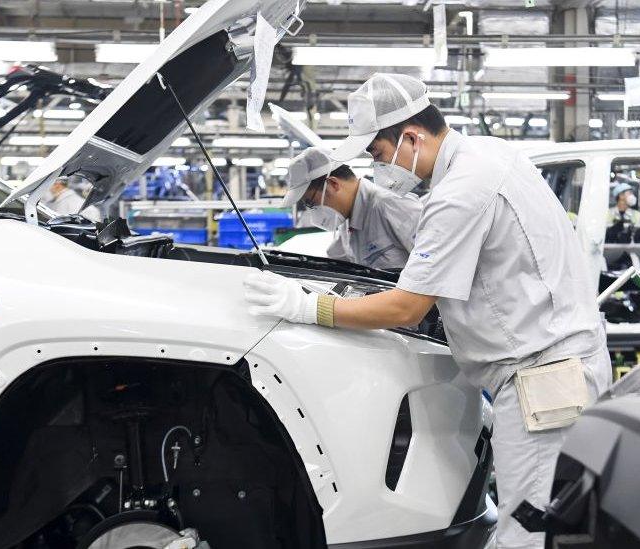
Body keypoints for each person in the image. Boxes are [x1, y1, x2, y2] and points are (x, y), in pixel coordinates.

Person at [244, 73, 611, 549]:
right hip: (546, 369)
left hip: (542, 381)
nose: (377, 170)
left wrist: (310, 308)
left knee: (527, 533)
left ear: (411, 137)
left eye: (377, 155)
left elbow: (408, 306)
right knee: (552, 524)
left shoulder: (460, 192)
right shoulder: (490, 155)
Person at [283, 147, 422, 270]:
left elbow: (435, 265)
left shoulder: (390, 205)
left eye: (310, 203)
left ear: (332, 184)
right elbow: (336, 262)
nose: (311, 211)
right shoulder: (347, 218)